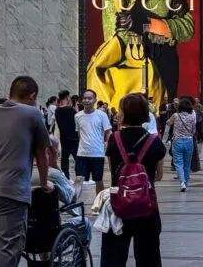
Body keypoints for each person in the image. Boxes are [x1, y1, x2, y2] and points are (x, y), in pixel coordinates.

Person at [0, 75, 52, 267]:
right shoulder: (33, 114)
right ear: (32, 95)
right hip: (11, 190)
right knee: (8, 246)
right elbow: (42, 154)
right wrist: (43, 182)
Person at [102, 93, 166, 267]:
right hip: (146, 203)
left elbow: (113, 172)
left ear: (124, 113)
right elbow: (158, 176)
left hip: (118, 202)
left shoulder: (113, 140)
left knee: (113, 254)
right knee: (148, 255)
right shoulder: (154, 141)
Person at [74, 89, 112, 202]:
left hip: (97, 154)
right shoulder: (77, 116)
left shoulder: (101, 115)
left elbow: (108, 131)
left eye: (90, 98)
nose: (87, 100)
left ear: (95, 100)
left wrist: (106, 144)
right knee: (78, 179)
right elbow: (79, 133)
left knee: (98, 180)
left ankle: (99, 205)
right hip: (82, 154)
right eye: (85, 98)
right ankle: (74, 206)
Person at [168, 97, 196, 192]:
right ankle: (186, 182)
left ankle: (182, 182)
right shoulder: (192, 116)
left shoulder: (175, 116)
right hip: (189, 141)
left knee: (178, 162)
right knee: (187, 163)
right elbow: (193, 130)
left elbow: (168, 123)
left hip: (177, 141)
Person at [54, 90, 79, 180]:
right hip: (74, 138)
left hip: (63, 138)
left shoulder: (57, 110)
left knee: (64, 160)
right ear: (68, 97)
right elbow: (77, 121)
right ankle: (78, 176)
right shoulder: (70, 110)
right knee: (78, 159)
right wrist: (76, 110)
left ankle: (66, 177)